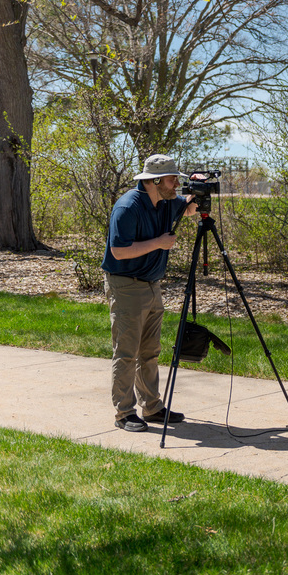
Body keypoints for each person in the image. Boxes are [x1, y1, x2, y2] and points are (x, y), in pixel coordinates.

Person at [102, 154, 199, 432]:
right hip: (126, 285)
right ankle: (123, 413)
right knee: (127, 353)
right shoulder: (127, 207)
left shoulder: (166, 203)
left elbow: (189, 210)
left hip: (151, 285)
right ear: (156, 181)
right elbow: (118, 251)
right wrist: (158, 243)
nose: (176, 184)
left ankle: (152, 407)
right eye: (173, 179)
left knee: (150, 351)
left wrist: (198, 192)